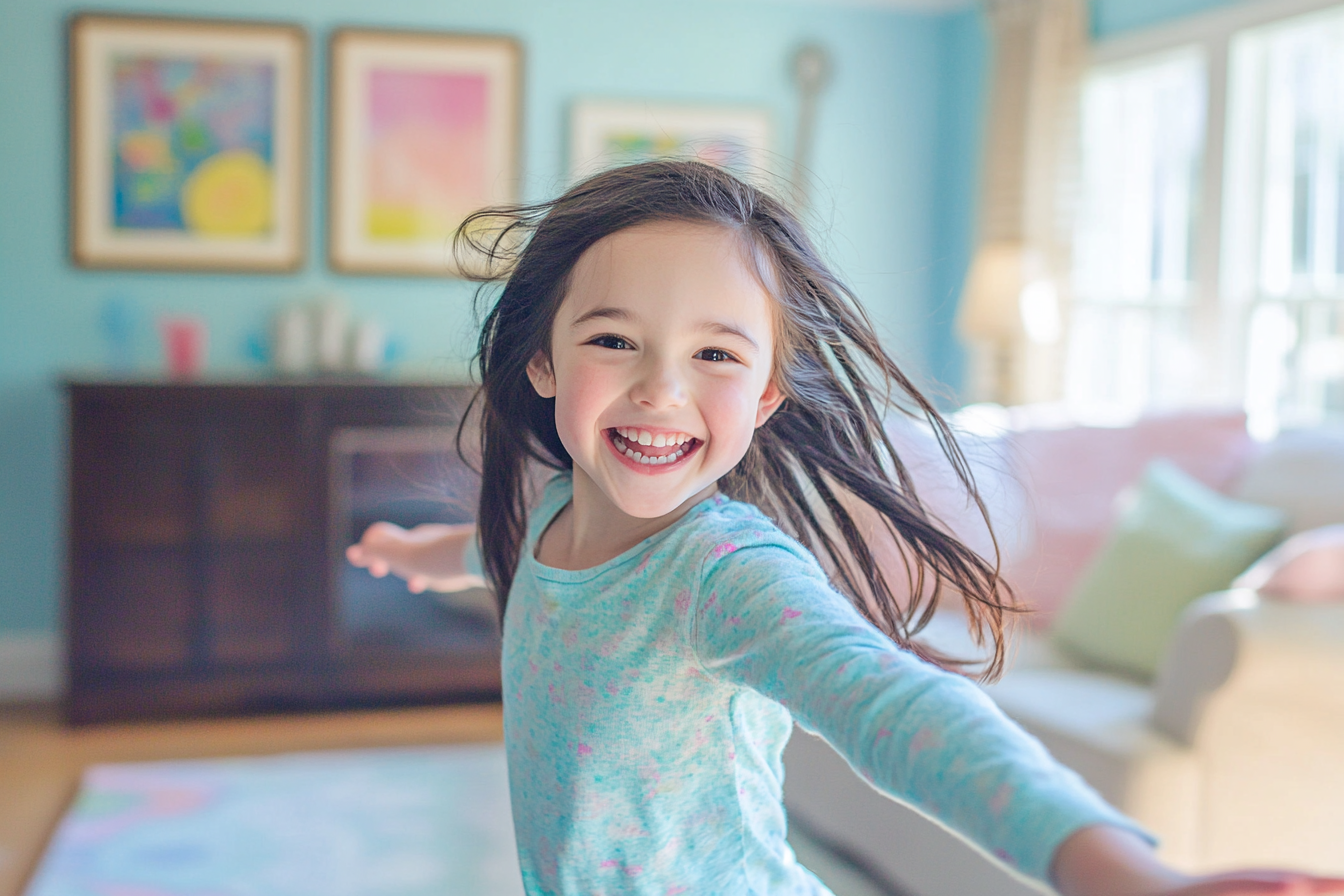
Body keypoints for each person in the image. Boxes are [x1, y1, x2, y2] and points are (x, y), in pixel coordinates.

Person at [347, 160, 1344, 896]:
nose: (661, 386)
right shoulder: (563, 508)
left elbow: (898, 708)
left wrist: (1122, 872)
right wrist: (422, 556)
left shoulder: (724, 572)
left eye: (716, 354)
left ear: (769, 394)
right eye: (614, 339)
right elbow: (508, 548)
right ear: (544, 361)